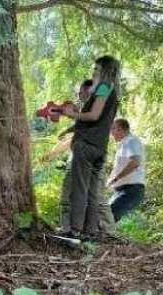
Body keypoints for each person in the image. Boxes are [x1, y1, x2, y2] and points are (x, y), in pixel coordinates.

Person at [40, 79, 114, 234]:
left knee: (95, 195)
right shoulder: (86, 112)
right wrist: (67, 126)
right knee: (71, 194)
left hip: (88, 156)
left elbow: (82, 128)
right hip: (81, 157)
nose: (79, 95)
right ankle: (73, 229)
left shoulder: (96, 111)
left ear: (89, 91)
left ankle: (104, 230)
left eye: (81, 92)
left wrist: (52, 154)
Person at [61, 55, 121, 237]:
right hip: (99, 147)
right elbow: (100, 118)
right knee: (93, 192)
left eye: (96, 69)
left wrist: (73, 114)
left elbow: (94, 115)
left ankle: (75, 230)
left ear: (105, 70)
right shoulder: (114, 90)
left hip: (87, 145)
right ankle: (88, 231)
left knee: (79, 188)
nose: (93, 72)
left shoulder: (103, 87)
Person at [107, 118, 145, 221]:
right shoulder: (123, 145)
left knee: (107, 216)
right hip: (121, 190)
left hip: (131, 190)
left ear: (119, 129)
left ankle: (97, 236)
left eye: (112, 130)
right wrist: (107, 183)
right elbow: (118, 168)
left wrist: (117, 178)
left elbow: (135, 162)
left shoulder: (131, 141)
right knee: (104, 213)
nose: (111, 134)